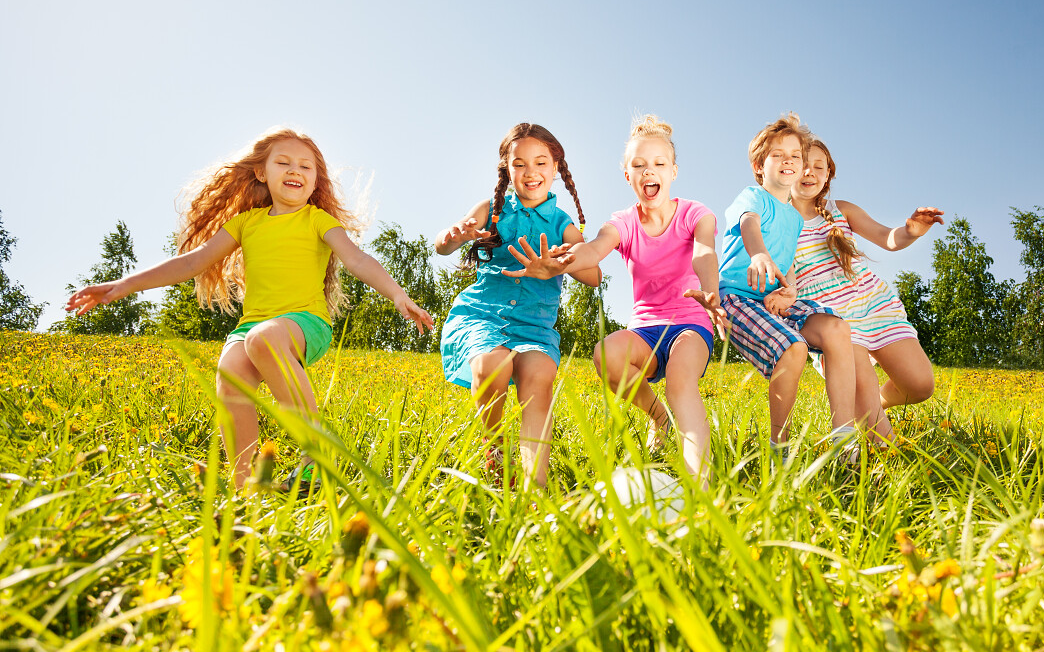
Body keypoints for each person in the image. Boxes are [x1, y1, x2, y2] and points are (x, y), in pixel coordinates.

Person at [66, 127, 432, 491]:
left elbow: (358, 260)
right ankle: (245, 487)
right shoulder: (246, 223)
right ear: (262, 172)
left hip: (306, 323)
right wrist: (123, 285)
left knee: (263, 339)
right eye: (284, 162)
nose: (295, 171)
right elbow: (191, 263)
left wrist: (397, 294)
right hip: (254, 326)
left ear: (316, 179)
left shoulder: (317, 220)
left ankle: (316, 456)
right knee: (230, 370)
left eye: (306, 167)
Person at [517, 115, 730, 487]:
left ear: (674, 171)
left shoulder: (695, 213)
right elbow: (595, 249)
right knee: (605, 354)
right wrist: (558, 264)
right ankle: (658, 417)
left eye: (659, 164)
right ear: (627, 175)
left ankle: (701, 484)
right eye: (639, 165)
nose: (650, 171)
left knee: (681, 381)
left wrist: (710, 291)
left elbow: (704, 251)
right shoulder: (625, 221)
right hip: (645, 331)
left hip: (690, 324)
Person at [435, 123, 599, 490]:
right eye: (520, 164)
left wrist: (558, 266)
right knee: (491, 364)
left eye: (541, 163)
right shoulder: (491, 209)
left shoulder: (562, 224)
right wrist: (452, 238)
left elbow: (594, 275)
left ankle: (533, 486)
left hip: (534, 327)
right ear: (507, 169)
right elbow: (442, 246)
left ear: (555, 168)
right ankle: (494, 453)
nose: (531, 172)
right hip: (481, 316)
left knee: (539, 375)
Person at [717, 113, 861, 456]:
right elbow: (749, 225)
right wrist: (759, 256)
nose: (788, 161)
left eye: (795, 155)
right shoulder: (752, 196)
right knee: (793, 348)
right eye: (778, 155)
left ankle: (843, 440)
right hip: (738, 298)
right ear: (759, 165)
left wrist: (791, 289)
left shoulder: (794, 218)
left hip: (774, 298)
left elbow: (789, 262)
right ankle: (778, 450)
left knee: (838, 329)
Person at [790, 138, 944, 441]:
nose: (809, 171)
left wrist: (911, 231)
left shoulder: (841, 210)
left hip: (872, 303)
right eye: (801, 164)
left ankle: (875, 405)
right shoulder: (778, 219)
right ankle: (884, 453)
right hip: (830, 316)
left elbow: (888, 237)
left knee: (919, 385)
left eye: (818, 166)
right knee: (865, 392)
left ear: (827, 175)